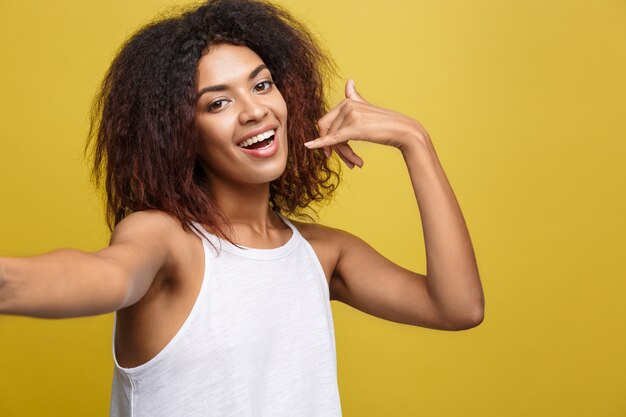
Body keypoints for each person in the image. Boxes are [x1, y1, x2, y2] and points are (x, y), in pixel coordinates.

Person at [0, 0, 485, 415]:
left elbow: (458, 307)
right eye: (216, 104)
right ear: (179, 134)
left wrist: (414, 141)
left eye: (261, 84)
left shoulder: (322, 253)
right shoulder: (167, 241)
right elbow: (104, 275)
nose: (255, 111)